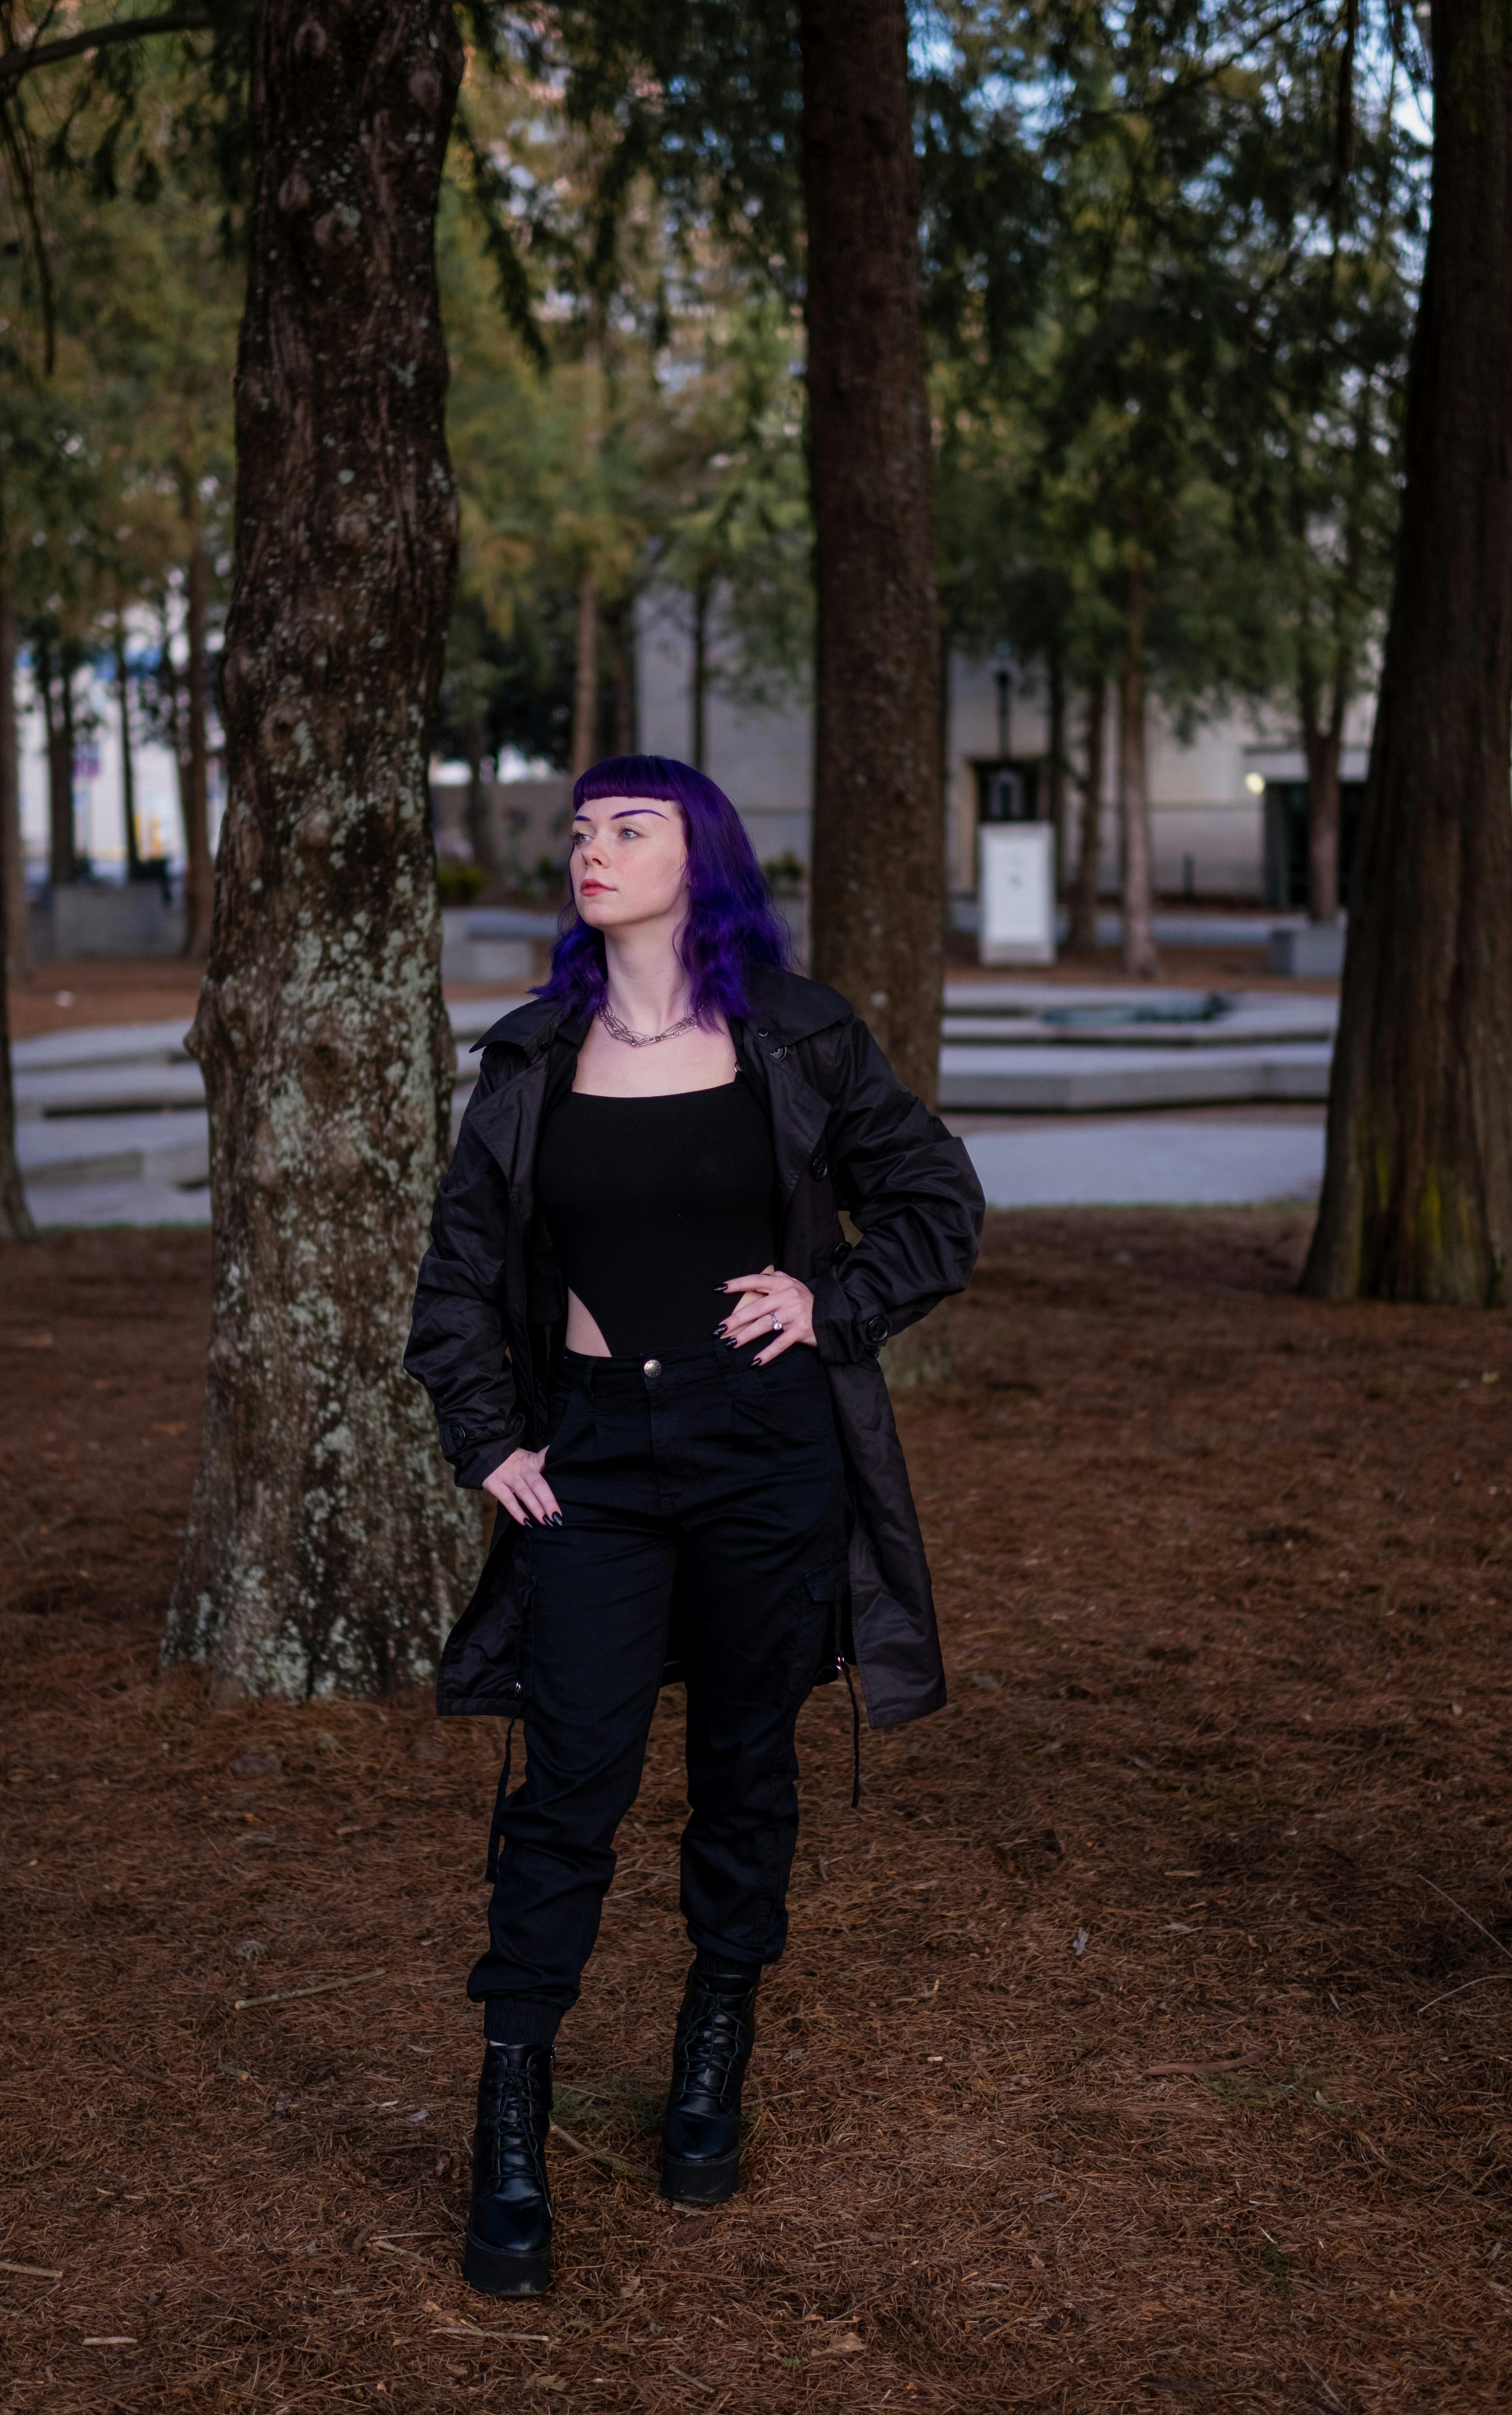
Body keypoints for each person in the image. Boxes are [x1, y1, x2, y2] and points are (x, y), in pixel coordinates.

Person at [405, 755, 982, 2297]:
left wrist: (834, 1295)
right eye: (583, 831)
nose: (594, 850)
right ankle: (511, 2125)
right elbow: (456, 1279)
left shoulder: (795, 1038)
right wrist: (489, 1440)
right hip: (593, 1460)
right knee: (566, 1791)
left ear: (699, 857)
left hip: (759, 1454)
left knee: (743, 1767)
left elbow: (935, 1201)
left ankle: (709, 2062)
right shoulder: (533, 1058)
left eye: (631, 827)